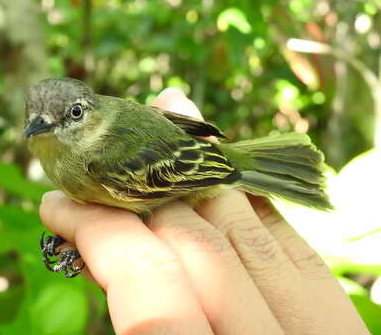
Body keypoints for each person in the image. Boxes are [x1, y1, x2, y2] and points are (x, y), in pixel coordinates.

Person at [39, 88, 369, 335]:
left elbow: (151, 204)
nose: (43, 127)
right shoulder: (65, 154)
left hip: (191, 167)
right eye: (35, 119)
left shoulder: (100, 160)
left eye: (73, 115)